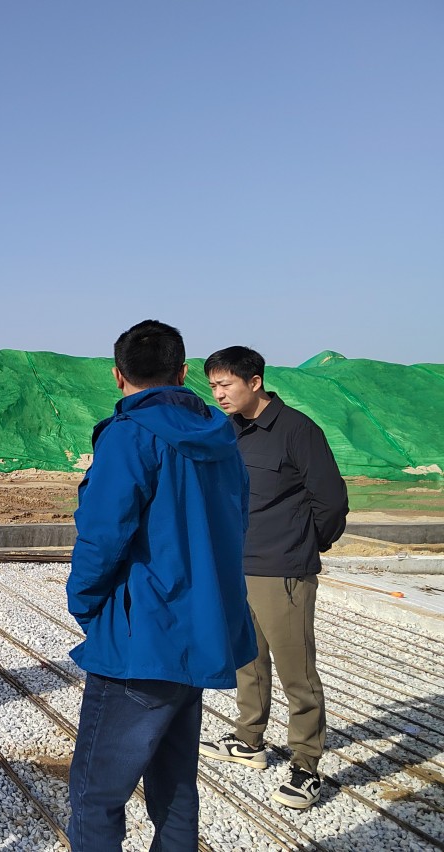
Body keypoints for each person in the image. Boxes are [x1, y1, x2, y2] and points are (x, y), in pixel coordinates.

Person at [66, 320, 255, 851]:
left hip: (141, 641)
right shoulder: (221, 437)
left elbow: (102, 536)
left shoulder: (129, 435)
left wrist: (85, 604)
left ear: (117, 375)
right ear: (183, 372)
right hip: (200, 632)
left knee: (96, 792)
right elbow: (236, 524)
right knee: (174, 785)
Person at [199, 346, 347, 810]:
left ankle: (307, 764)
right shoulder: (228, 431)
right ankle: (249, 739)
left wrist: (304, 545)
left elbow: (331, 502)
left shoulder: (297, 431)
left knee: (296, 672)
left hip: (283, 571)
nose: (219, 394)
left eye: (226, 384)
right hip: (237, 566)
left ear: (255, 381)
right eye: (213, 386)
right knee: (248, 660)